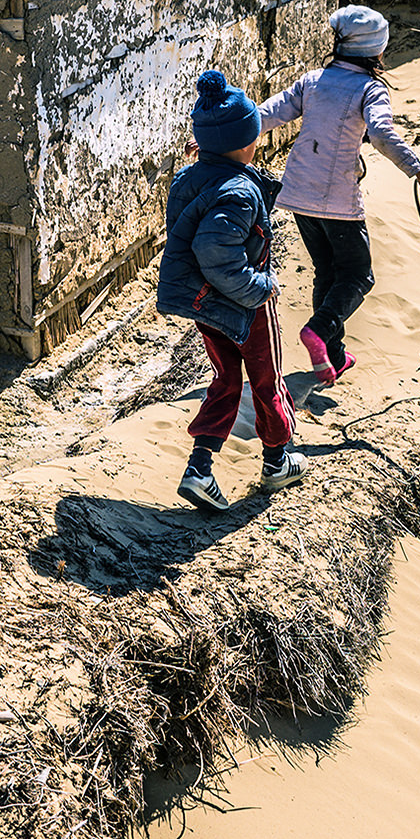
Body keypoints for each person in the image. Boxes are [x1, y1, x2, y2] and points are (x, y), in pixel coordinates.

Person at [258, 6, 420, 384]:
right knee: (359, 275)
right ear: (375, 51)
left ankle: (333, 356)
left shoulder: (313, 80)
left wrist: (220, 137)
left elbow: (268, 114)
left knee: (327, 271)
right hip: (338, 198)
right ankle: (318, 331)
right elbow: (380, 133)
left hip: (298, 193)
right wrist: (418, 169)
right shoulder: (370, 89)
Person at [154, 68, 307, 513]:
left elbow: (220, 205)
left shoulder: (191, 177)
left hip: (208, 306)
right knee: (266, 380)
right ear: (245, 141)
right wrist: (260, 287)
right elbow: (215, 248)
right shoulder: (238, 191)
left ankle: (200, 467)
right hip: (245, 305)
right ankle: (277, 461)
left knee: (225, 379)